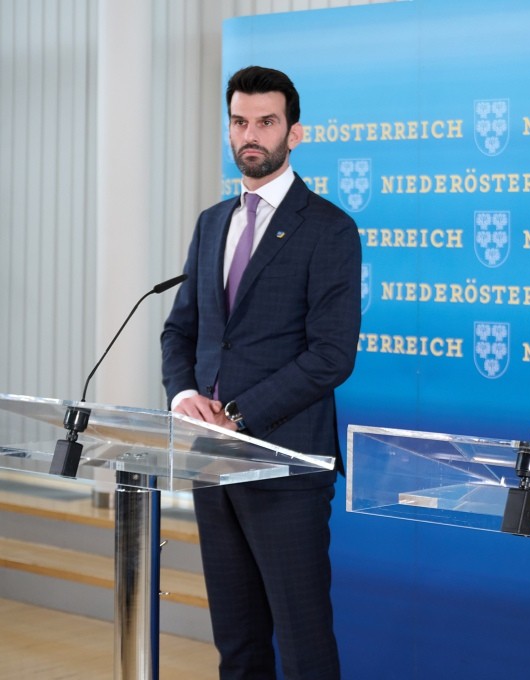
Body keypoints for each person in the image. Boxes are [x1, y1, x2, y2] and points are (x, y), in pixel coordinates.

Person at [161, 65, 361, 679]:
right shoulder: (211, 222)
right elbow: (180, 330)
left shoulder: (329, 229)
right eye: (240, 121)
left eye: (266, 122)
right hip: (212, 465)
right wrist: (186, 394)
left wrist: (237, 415)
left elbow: (332, 356)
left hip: (287, 467)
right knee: (238, 645)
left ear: (294, 132)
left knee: (302, 646)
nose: (251, 134)